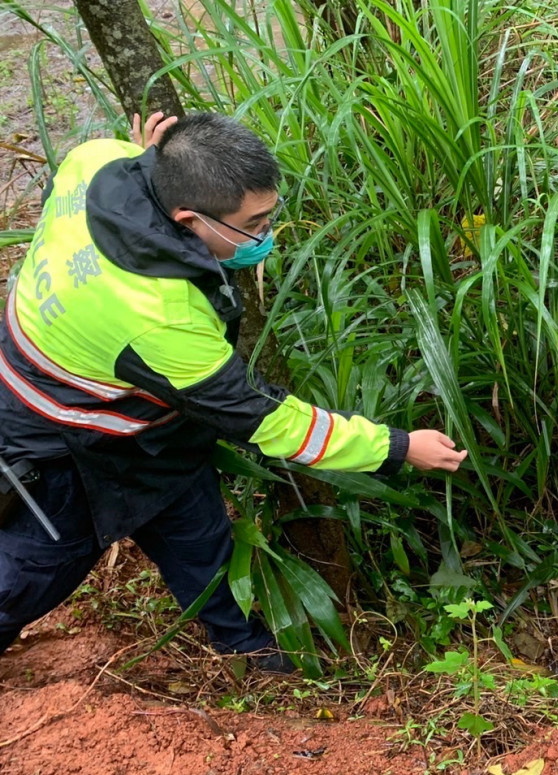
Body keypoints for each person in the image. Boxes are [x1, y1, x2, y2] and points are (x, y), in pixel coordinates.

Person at [0, 112, 466, 671]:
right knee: (38, 566)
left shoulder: (97, 159)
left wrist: (150, 156)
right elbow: (266, 419)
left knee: (200, 538)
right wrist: (397, 446)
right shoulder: (161, 319)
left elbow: (113, 168)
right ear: (188, 216)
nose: (266, 236)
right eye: (255, 224)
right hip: (61, 429)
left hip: (143, 419)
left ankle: (249, 652)